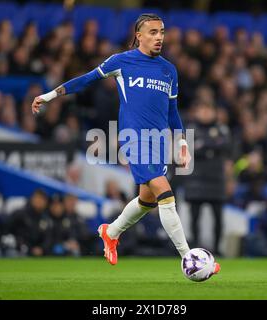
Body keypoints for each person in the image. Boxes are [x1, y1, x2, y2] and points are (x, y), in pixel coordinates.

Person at [31, 13, 220, 275]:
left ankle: (112, 231)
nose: (159, 37)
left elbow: (173, 112)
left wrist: (183, 144)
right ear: (138, 36)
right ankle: (189, 258)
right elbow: (86, 79)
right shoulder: (122, 61)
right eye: (153, 32)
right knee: (166, 194)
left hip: (157, 142)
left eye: (162, 32)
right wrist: (50, 95)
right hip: (133, 139)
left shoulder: (169, 69)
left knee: (148, 200)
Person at [182, 101, 230, 255]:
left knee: (218, 218)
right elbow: (190, 148)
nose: (205, 113)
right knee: (195, 218)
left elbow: (225, 145)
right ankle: (195, 249)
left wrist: (203, 145)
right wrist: (211, 145)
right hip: (195, 180)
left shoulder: (222, 128)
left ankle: (217, 249)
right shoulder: (190, 128)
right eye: (202, 110)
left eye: (208, 110)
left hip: (216, 180)